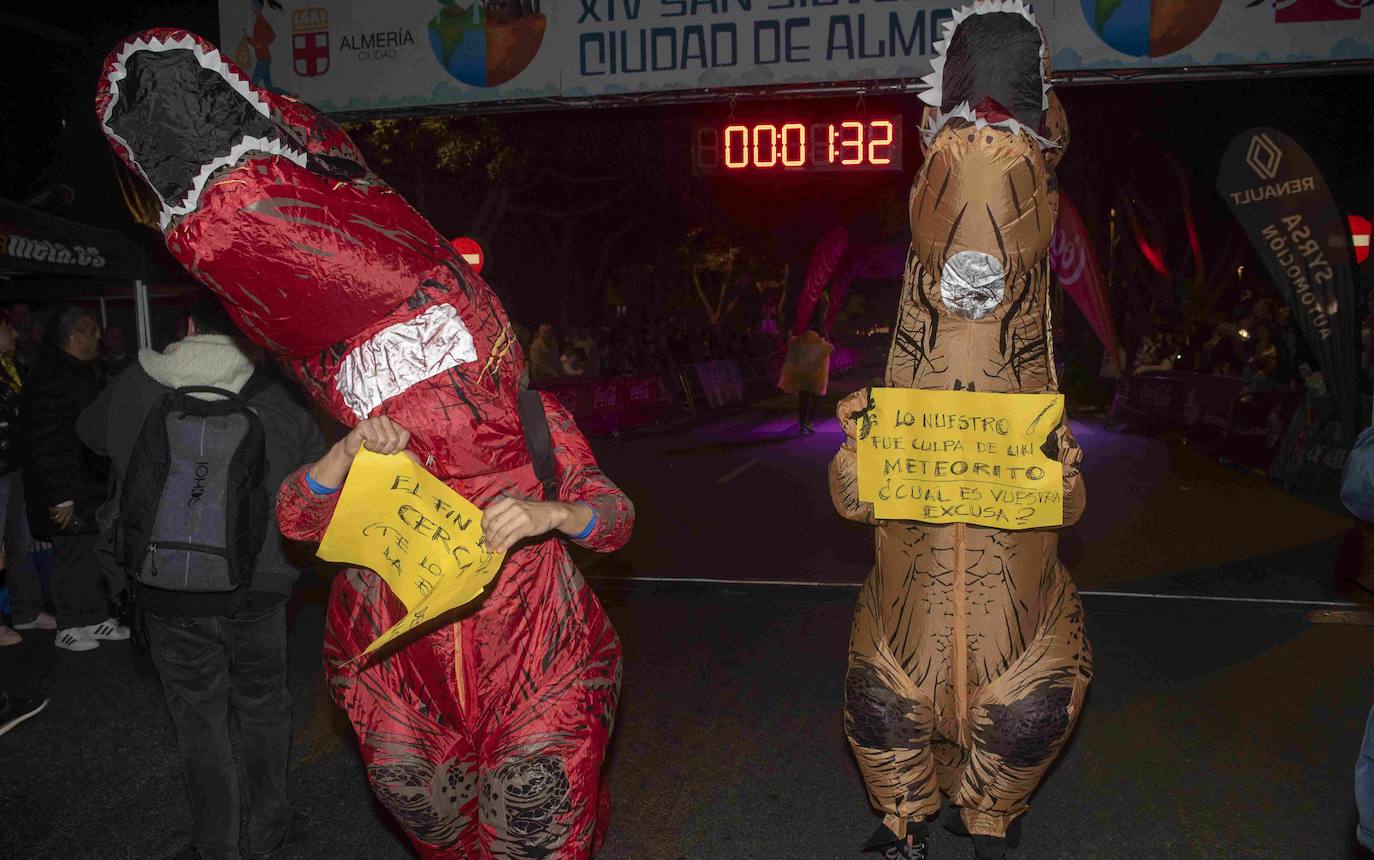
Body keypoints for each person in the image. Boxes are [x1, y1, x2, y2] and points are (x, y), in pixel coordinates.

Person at [76, 295, 321, 860]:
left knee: (197, 717)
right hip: (259, 584)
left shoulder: (137, 382)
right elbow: (316, 471)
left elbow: (89, 433)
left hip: (166, 584)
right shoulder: (280, 394)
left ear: (187, 326)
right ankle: (270, 828)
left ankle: (215, 844)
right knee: (263, 703)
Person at [18, 307, 125, 652]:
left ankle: (94, 617)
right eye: (91, 330)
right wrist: (60, 495)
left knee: (92, 551)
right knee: (69, 554)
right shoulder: (51, 376)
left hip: (89, 481)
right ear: (74, 336)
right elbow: (45, 440)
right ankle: (68, 625)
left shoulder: (88, 371)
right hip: (65, 484)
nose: (99, 336)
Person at [0, 311, 53, 645]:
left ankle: (26, 611)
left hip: (14, 465)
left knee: (18, 543)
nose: (15, 336)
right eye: (8, 329)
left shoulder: (12, 367)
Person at [778, 329, 833, 434]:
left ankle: (803, 424)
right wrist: (825, 339)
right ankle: (808, 422)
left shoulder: (800, 345)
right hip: (814, 379)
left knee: (804, 401)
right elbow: (831, 348)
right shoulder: (818, 345)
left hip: (803, 378)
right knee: (813, 401)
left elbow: (791, 345)